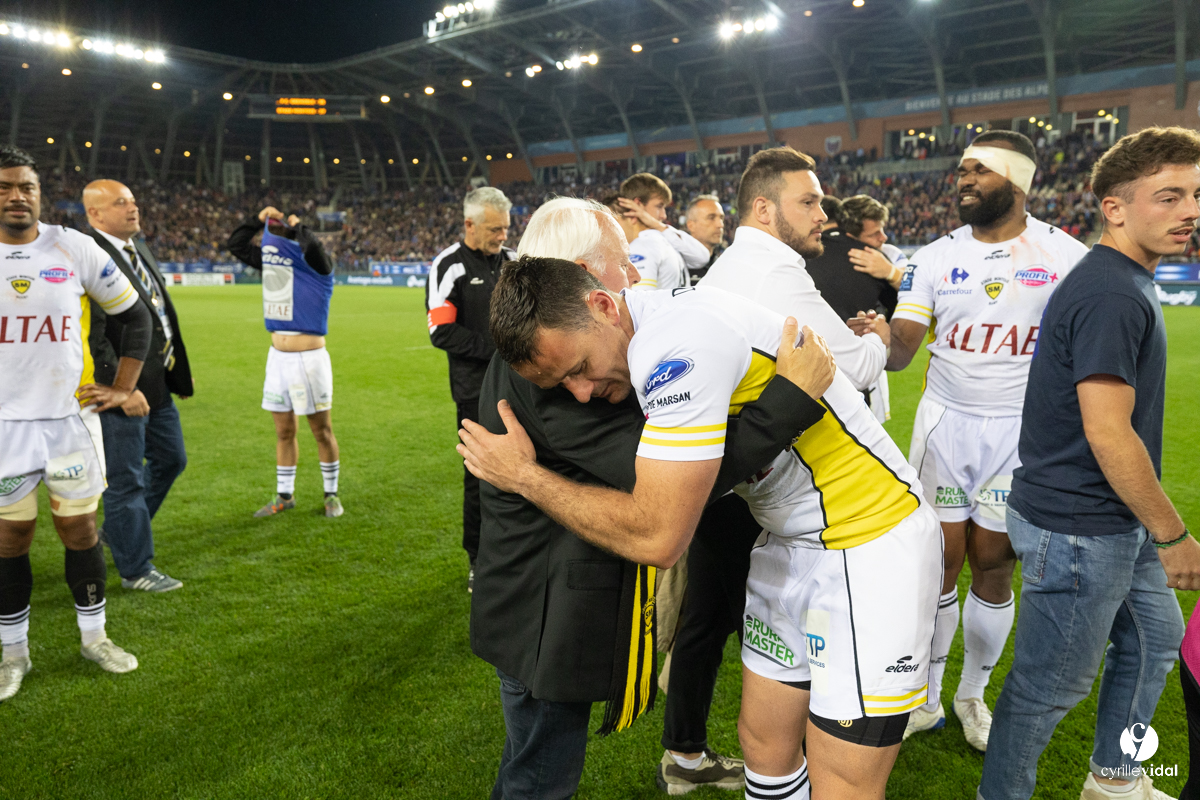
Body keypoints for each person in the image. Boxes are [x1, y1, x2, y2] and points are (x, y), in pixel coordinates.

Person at [461, 259, 942, 800]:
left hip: (870, 543)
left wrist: (525, 476)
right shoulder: (648, 335)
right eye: (561, 382)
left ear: (602, 306)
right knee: (764, 748)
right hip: (784, 541)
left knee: (843, 784)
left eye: (578, 368)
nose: (579, 392)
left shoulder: (673, 345)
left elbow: (658, 535)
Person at [469, 198, 827, 800]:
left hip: (540, 599)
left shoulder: (556, 348)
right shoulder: (555, 367)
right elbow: (668, 487)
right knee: (539, 777)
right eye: (621, 264)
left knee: (534, 764)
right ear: (582, 276)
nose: (635, 277)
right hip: (542, 614)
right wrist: (785, 405)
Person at [979, 126, 1200, 800]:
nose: (1191, 210)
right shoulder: (1111, 292)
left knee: (1155, 639)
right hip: (1081, 527)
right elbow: (1109, 434)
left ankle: (1113, 780)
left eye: (1196, 195)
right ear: (1115, 207)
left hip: (1107, 519)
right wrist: (1172, 533)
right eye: (1169, 196)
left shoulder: (1121, 279)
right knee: (1048, 688)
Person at [887, 131, 1090, 752]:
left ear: (1017, 181)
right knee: (939, 564)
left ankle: (971, 695)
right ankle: (923, 696)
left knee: (994, 564)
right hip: (946, 425)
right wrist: (870, 338)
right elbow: (900, 351)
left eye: (978, 170)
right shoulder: (932, 256)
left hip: (1023, 435)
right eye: (961, 169)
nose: (963, 179)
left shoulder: (1068, 255)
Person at [0, 144, 151, 700]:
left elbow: (136, 318)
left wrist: (125, 386)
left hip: (69, 425)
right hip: (4, 431)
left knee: (80, 530)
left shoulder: (73, 246)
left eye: (27, 187)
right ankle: (13, 654)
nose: (17, 197)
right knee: (9, 538)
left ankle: (95, 638)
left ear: (40, 194)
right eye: (4, 188)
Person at [84, 179, 193, 593]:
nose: (133, 208)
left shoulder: (137, 247)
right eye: (120, 203)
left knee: (171, 459)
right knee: (126, 478)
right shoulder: (90, 255)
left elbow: (161, 315)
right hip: (120, 389)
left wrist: (175, 373)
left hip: (156, 385)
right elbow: (96, 335)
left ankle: (119, 532)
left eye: (132, 201)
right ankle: (136, 569)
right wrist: (122, 388)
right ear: (95, 214)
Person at [426, 187, 515, 592]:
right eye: (495, 229)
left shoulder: (512, 261)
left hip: (518, 388)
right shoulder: (449, 265)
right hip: (474, 392)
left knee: (527, 470)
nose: (502, 236)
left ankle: (517, 552)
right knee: (478, 478)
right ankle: (478, 559)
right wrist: (498, 352)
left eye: (505, 229)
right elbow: (440, 330)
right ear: (470, 225)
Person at [227, 205, 342, 518]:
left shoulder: (319, 269)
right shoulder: (275, 268)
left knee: (322, 431)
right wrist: (257, 219)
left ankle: (331, 494)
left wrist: (295, 226)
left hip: (310, 360)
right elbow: (236, 244)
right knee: (283, 432)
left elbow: (315, 248)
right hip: (277, 359)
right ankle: (284, 496)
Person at [805, 194, 903, 422]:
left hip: (806, 377)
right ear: (850, 233)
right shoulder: (872, 258)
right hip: (860, 374)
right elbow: (910, 304)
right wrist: (892, 274)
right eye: (874, 233)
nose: (883, 237)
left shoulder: (795, 255)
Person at [613, 173, 710, 291]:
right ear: (638, 204)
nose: (664, 215)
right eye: (659, 206)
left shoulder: (645, 244)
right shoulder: (651, 243)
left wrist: (656, 224)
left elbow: (702, 257)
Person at [684, 193, 726, 281]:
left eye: (721, 218)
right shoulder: (678, 266)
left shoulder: (724, 266)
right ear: (691, 225)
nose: (720, 225)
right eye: (711, 218)